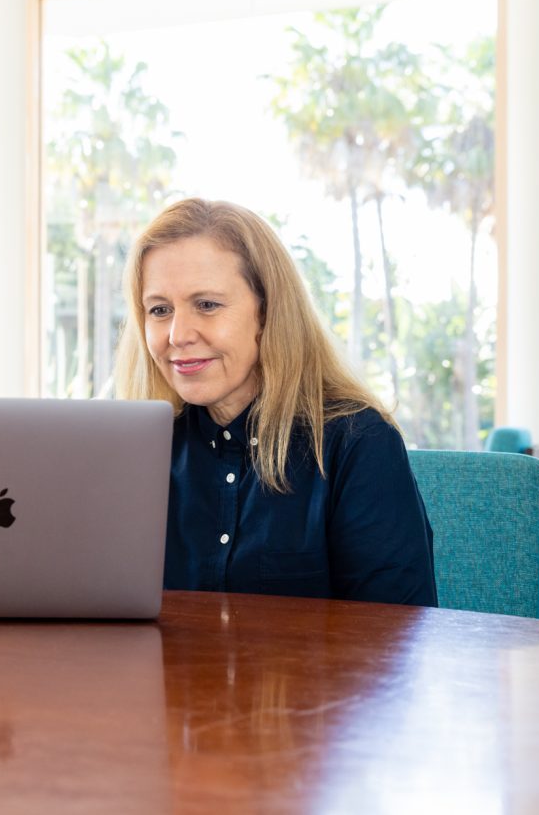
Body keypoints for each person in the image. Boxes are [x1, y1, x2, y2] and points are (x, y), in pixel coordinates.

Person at [115, 197, 437, 605]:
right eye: (159, 310)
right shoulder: (142, 450)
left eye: (207, 305)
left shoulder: (357, 442)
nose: (177, 334)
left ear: (267, 312)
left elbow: (398, 640)